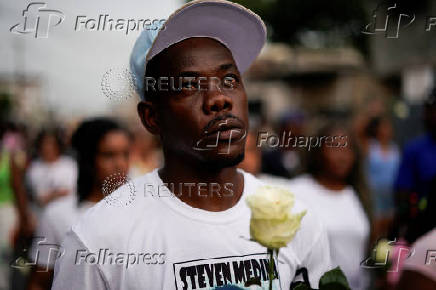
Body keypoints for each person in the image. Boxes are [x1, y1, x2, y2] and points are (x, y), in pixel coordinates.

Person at [52, 1, 332, 289]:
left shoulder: (297, 220)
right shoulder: (99, 240)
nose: (219, 99)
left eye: (229, 79)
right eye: (189, 85)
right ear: (151, 117)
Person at [27, 118, 131, 290]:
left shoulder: (141, 211)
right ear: (87, 159)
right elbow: (39, 281)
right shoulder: (56, 215)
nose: (120, 164)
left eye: (125, 154)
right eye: (109, 155)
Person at [288, 124, 371, 290]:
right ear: (318, 152)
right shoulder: (298, 191)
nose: (343, 157)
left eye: (348, 149)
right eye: (335, 148)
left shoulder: (356, 194)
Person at [394, 88, 436, 243]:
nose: (430, 115)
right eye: (429, 110)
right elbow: (402, 195)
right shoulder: (414, 150)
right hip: (423, 233)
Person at [0, 121, 33, 289]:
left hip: (5, 212)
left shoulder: (9, 157)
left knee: (4, 259)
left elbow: (18, 188)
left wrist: (23, 219)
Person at [26, 129, 77, 217]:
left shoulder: (69, 165)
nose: (47, 148)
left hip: (66, 216)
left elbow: (70, 191)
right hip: (41, 216)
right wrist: (57, 194)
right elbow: (39, 198)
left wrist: (52, 195)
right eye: (44, 144)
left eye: (51, 144)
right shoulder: (34, 168)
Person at [365, 117, 400, 238]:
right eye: (384, 127)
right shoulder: (370, 147)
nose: (387, 130)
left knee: (389, 224)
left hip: (390, 194)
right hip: (374, 194)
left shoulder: (395, 149)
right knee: (376, 224)